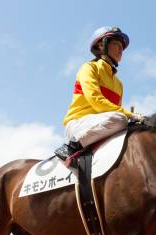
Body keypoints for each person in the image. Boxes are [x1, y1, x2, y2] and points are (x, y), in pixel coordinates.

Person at [54, 26, 144, 162]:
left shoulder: (119, 84)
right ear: (102, 45)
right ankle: (72, 147)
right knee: (120, 119)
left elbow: (113, 110)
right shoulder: (89, 68)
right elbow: (95, 100)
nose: (121, 49)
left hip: (103, 125)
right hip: (79, 125)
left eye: (122, 46)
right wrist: (129, 115)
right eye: (116, 44)